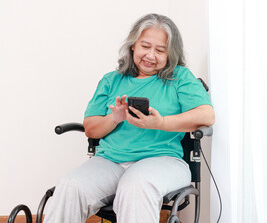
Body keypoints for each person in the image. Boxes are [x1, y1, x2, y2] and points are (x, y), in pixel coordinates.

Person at [44, 13, 215, 223]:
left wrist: (160, 123)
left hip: (163, 160)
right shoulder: (111, 80)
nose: (151, 56)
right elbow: (91, 129)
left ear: (170, 54)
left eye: (160, 50)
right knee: (70, 186)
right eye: (145, 46)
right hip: (110, 161)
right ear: (133, 45)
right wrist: (114, 118)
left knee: (136, 185)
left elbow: (206, 115)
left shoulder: (179, 77)